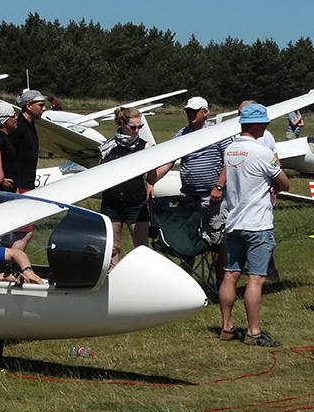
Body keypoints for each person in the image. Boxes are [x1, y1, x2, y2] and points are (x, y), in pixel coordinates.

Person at [217, 103, 289, 347]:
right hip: (258, 223)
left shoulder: (230, 150)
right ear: (257, 124)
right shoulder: (262, 152)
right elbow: (284, 182)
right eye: (265, 122)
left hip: (234, 220)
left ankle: (226, 327)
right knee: (256, 278)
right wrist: (274, 183)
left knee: (230, 275)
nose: (268, 126)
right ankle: (253, 332)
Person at [156, 96, 231, 280]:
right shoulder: (182, 134)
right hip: (188, 196)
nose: (190, 114)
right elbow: (169, 160)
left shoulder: (219, 132)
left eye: (194, 111)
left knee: (216, 238)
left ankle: (219, 281)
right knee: (187, 238)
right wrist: (152, 181)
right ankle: (186, 279)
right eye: (188, 111)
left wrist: (219, 187)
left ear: (205, 112)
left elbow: (229, 162)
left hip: (213, 195)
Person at [98, 107, 160, 267]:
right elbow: (99, 174)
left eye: (140, 127)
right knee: (112, 248)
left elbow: (151, 179)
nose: (137, 130)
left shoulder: (145, 147)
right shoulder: (109, 147)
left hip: (136, 204)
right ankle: (112, 283)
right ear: (122, 123)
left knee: (141, 249)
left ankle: (141, 283)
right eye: (133, 127)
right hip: (112, 203)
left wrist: (153, 163)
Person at [7, 89, 47, 193]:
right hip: (19, 186)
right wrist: (15, 187)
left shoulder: (31, 126)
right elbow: (10, 158)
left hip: (28, 184)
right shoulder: (18, 127)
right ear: (28, 106)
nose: (44, 108)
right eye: (41, 105)